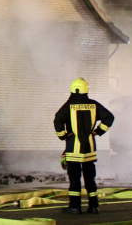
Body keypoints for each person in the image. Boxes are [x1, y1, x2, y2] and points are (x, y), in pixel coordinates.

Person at [53, 77, 114, 214]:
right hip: (89, 149)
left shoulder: (69, 106)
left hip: (73, 149)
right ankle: (93, 206)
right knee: (90, 178)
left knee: (75, 178)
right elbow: (109, 117)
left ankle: (75, 207)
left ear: (74, 91)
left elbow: (58, 119)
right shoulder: (93, 105)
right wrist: (98, 131)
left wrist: (63, 136)